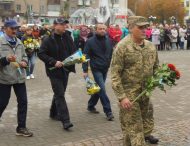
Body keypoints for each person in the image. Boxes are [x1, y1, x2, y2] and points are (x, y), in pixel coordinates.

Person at [111, 16, 159, 146]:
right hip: (130, 97)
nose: (144, 30)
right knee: (135, 130)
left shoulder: (150, 47)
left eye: (146, 27)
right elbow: (114, 74)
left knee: (145, 126)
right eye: (140, 27)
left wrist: (161, 77)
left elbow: (156, 68)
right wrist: (122, 97)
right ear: (131, 28)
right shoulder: (122, 47)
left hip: (145, 94)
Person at [38, 18, 76, 130]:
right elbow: (41, 54)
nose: (65, 26)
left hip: (66, 70)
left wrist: (77, 57)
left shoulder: (67, 37)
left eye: (65, 24)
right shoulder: (48, 39)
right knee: (60, 95)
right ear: (55, 26)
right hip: (54, 71)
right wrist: (53, 61)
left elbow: (73, 50)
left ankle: (53, 113)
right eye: (62, 24)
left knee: (60, 92)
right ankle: (66, 121)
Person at [0, 19, 33, 137]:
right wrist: (5, 59)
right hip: (5, 77)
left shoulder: (19, 41)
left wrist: (24, 61)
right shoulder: (1, 42)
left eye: (16, 28)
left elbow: (24, 55)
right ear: (5, 29)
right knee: (2, 103)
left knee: (23, 102)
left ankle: (21, 127)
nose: (15, 30)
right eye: (12, 28)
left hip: (19, 77)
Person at [82, 23, 114, 121]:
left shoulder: (109, 40)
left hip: (105, 68)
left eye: (104, 29)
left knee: (98, 88)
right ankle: (108, 111)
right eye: (100, 29)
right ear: (96, 30)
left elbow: (111, 53)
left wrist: (110, 64)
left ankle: (91, 105)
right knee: (102, 89)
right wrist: (85, 70)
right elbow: (85, 55)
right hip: (96, 68)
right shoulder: (90, 41)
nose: (102, 30)